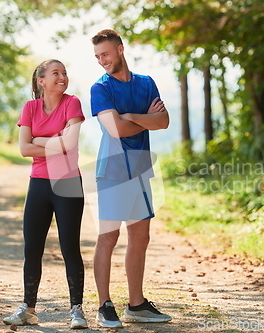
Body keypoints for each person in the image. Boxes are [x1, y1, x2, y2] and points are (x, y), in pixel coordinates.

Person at [90, 29, 172, 328]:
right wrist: (142, 118)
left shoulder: (146, 83)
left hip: (139, 167)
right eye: (98, 57)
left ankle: (136, 305)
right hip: (112, 169)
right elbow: (116, 130)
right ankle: (104, 305)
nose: (102, 61)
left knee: (140, 237)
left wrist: (130, 116)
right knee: (108, 237)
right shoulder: (99, 88)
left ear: (120, 50)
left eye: (106, 54)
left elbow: (163, 121)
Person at [3, 59, 87, 329]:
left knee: (69, 248)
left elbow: (71, 143)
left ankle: (77, 311)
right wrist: (56, 143)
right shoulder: (30, 108)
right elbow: (24, 150)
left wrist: (39, 140)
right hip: (39, 182)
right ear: (42, 81)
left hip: (68, 182)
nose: (62, 77)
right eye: (56, 73)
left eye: (64, 72)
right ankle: (28, 309)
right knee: (32, 248)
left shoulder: (71, 103)